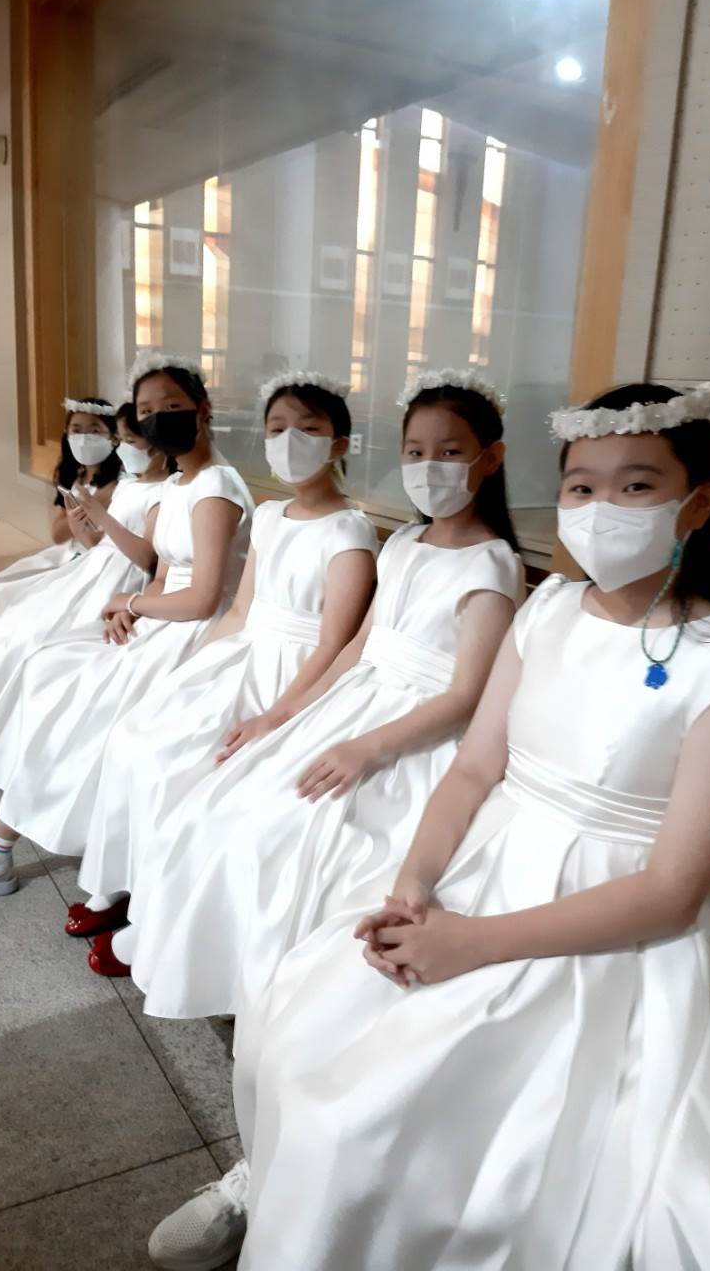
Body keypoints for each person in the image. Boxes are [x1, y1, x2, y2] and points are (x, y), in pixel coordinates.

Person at [166, 382, 710, 1271]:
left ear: (699, 501)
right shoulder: (548, 608)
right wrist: (413, 885)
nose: (602, 509)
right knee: (299, 1008)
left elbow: (669, 892)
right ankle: (269, 1182)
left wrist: (470, 943)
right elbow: (472, 768)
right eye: (582, 487)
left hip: (610, 916)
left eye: (637, 486)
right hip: (489, 852)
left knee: (412, 1094)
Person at [126, 369, 525, 1025]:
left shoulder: (492, 565)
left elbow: (465, 696)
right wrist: (280, 718)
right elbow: (355, 647)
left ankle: (269, 999)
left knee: (295, 835)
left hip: (410, 732)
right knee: (222, 800)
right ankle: (213, 968)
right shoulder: (404, 542)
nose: (429, 467)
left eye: (450, 452)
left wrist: (365, 749)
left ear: (490, 458)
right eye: (415, 452)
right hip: (351, 702)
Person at [0, 354, 253, 904]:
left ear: (203, 409)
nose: (158, 418)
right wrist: (135, 608)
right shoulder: (178, 484)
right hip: (169, 616)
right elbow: (164, 573)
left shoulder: (216, 489)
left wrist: (132, 601)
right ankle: (1, 845)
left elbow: (206, 595)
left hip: (202, 632)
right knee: (48, 668)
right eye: (147, 411)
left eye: (172, 406)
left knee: (81, 700)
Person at [74, 371, 378, 957]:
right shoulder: (270, 516)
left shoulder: (351, 531)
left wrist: (275, 716)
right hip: (245, 650)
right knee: (137, 734)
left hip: (291, 674)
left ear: (339, 443)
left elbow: (332, 644)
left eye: (308, 429)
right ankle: (129, 884)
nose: (290, 441)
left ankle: (161, 916)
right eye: (277, 429)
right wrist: (195, 670)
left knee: (178, 761)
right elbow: (240, 610)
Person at [0, 404, 169, 704]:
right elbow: (98, 543)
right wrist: (78, 524)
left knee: (48, 637)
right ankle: (12, 699)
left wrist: (101, 515)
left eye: (129, 441)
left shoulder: (163, 493)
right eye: (120, 440)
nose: (121, 448)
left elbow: (146, 558)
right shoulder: (129, 485)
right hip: (95, 565)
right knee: (18, 621)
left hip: (122, 575)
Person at [0, 397, 122, 674]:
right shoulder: (75, 475)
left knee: (30, 610)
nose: (84, 437)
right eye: (77, 430)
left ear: (113, 436)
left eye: (94, 430)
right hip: (67, 551)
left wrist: (88, 510)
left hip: (96, 558)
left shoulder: (122, 482)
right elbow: (57, 533)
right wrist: (85, 508)